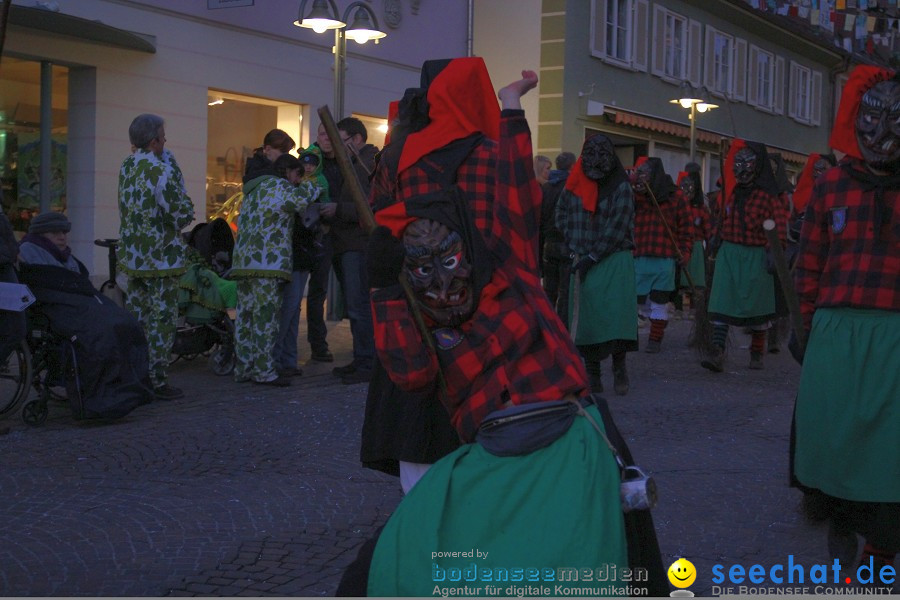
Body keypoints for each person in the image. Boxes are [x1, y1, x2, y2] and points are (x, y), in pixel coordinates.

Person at [339, 59, 666, 597]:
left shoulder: (507, 264)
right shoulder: (428, 314)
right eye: (424, 266)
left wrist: (512, 107)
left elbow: (517, 197)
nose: (443, 281)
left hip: (562, 432)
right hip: (492, 444)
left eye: (448, 254)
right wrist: (386, 293)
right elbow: (410, 371)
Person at [791, 65, 899, 574]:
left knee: (888, 446)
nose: (883, 134)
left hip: (895, 333)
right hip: (837, 333)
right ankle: (841, 516)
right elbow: (809, 263)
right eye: (873, 118)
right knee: (836, 436)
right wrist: (805, 325)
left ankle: (882, 545)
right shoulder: (832, 185)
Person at [17, 211, 153, 417]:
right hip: (56, 306)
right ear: (41, 234)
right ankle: (100, 397)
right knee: (99, 332)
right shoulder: (28, 250)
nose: (62, 237)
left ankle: (129, 390)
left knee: (127, 323)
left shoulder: (65, 255)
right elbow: (45, 283)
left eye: (64, 232)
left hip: (78, 301)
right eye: (55, 233)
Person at [231, 129, 322, 386]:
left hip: (243, 264)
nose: (297, 179)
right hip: (267, 264)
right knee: (265, 319)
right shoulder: (279, 187)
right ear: (286, 172)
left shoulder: (253, 189)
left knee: (245, 318)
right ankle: (264, 372)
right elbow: (303, 199)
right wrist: (312, 182)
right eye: (296, 174)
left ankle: (244, 369)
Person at [118, 113, 195, 400]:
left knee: (137, 317)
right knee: (162, 319)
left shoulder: (127, 165)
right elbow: (180, 215)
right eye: (163, 137)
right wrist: (187, 204)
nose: (166, 141)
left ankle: (135, 373)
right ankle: (157, 379)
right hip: (161, 258)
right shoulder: (161, 171)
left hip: (133, 255)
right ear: (154, 142)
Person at [555, 135, 636, 396]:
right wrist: (576, 243)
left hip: (613, 258)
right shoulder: (575, 183)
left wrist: (595, 255)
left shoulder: (620, 187)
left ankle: (619, 367)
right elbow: (562, 215)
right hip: (582, 257)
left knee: (615, 318)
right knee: (588, 319)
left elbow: (618, 225)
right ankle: (592, 375)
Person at [700, 140, 788, 372]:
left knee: (756, 307)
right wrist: (714, 239)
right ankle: (718, 352)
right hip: (729, 253)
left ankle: (757, 352)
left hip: (756, 255)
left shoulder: (769, 197)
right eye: (737, 164)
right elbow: (719, 220)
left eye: (747, 164)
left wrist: (775, 251)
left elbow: (779, 226)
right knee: (722, 302)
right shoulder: (729, 194)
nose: (742, 170)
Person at [317, 117, 378, 385]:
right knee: (355, 307)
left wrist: (338, 210)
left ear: (356, 140)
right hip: (347, 244)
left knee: (359, 307)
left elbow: (372, 206)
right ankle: (361, 358)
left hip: (358, 244)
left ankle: (367, 361)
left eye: (340, 141)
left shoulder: (367, 164)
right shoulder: (352, 163)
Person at [630, 157, 693, 353]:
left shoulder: (675, 197)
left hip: (664, 258)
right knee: (635, 303)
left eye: (644, 174)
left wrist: (685, 252)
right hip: (638, 256)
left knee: (659, 301)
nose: (640, 179)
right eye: (638, 174)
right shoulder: (634, 198)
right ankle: (634, 335)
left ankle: (655, 339)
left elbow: (686, 229)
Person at [271, 153, 311, 379]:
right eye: (297, 175)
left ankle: (287, 358)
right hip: (292, 258)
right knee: (288, 310)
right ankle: (279, 359)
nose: (299, 181)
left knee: (292, 309)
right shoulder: (283, 193)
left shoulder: (285, 192)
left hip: (298, 257)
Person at [299, 144, 334, 365]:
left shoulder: (320, 183)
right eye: (306, 163)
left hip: (316, 241)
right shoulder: (305, 182)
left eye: (312, 163)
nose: (309, 167)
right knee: (311, 297)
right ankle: (317, 347)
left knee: (315, 296)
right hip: (307, 243)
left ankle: (318, 346)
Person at [539, 150, 576, 316]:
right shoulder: (573, 186)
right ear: (573, 166)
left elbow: (541, 217)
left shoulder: (547, 186)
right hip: (568, 244)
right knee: (565, 293)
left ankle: (546, 329)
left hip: (549, 244)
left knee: (548, 291)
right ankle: (562, 331)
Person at [0, 198, 26, 366]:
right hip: (4, 267)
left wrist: (14, 251)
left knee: (16, 328)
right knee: (15, 327)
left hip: (5, 266)